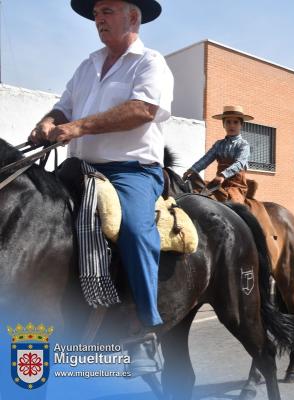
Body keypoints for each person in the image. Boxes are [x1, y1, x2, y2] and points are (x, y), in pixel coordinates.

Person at [29, 0, 173, 335]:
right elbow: (63, 108)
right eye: (96, 14)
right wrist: (46, 123)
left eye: (107, 11)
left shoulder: (150, 62)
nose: (98, 19)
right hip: (78, 167)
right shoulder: (87, 65)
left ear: (133, 17)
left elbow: (141, 110)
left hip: (130, 171)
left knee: (136, 231)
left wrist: (79, 128)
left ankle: (144, 324)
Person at [184, 106, 251, 203]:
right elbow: (206, 159)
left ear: (241, 125)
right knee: (198, 194)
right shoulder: (219, 144)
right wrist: (192, 170)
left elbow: (240, 163)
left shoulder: (243, 145)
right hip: (218, 184)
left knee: (235, 206)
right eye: (228, 122)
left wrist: (223, 175)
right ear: (223, 124)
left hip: (236, 186)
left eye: (235, 122)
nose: (231, 125)